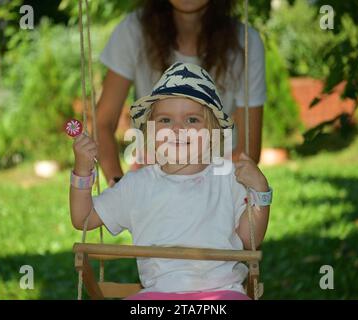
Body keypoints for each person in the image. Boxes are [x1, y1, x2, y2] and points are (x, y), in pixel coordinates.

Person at [70, 62, 272, 300]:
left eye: (192, 120)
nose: (177, 129)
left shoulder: (227, 177)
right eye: (165, 120)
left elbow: (250, 240)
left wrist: (261, 191)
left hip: (222, 292)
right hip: (157, 295)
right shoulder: (138, 185)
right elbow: (83, 218)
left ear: (213, 131)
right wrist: (83, 171)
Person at [96, 0, 266, 185]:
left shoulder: (246, 42)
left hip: (220, 188)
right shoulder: (132, 31)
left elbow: (248, 152)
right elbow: (102, 123)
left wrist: (198, 191)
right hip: (153, 188)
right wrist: (120, 188)